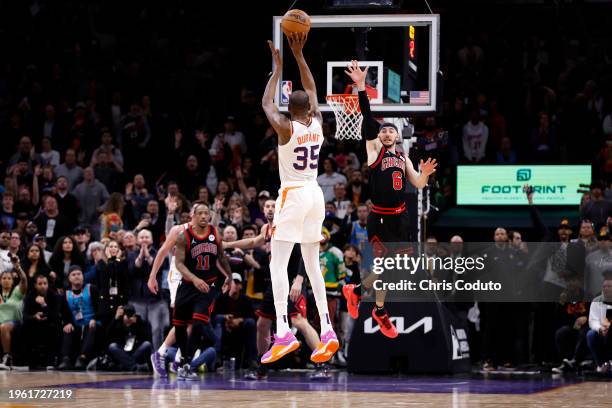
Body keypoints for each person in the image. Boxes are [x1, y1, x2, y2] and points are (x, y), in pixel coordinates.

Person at [342, 60, 437, 338]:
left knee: (395, 270)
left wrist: (425, 174)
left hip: (401, 216)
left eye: (390, 131)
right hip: (380, 217)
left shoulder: (403, 156)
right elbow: (368, 119)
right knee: (385, 267)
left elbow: (417, 183)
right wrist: (361, 87)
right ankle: (362, 296)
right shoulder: (374, 152)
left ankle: (375, 306)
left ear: (397, 136)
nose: (385, 133)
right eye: (383, 130)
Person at [261, 33, 339, 364]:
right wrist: (300, 55)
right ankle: (328, 331)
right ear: (309, 108)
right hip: (315, 194)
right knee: (311, 265)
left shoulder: (285, 128)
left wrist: (277, 68)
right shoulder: (318, 123)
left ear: (289, 109)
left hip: (293, 194)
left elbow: (266, 103)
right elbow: (312, 88)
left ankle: (282, 331)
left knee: (277, 264)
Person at [223, 199, 322, 379]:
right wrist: (229, 244)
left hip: (293, 281)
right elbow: (254, 241)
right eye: (267, 206)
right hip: (275, 283)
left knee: (299, 321)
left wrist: (299, 280)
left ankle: (322, 364)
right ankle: (262, 366)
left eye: (273, 206)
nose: (269, 209)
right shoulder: (266, 229)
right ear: (263, 210)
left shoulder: (288, 225)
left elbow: (303, 254)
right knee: (262, 324)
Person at [172, 202, 233, 380]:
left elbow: (221, 256)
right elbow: (179, 264)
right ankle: (183, 357)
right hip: (188, 285)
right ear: (194, 215)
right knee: (179, 325)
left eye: (207, 213)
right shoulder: (184, 236)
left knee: (199, 324)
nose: (204, 216)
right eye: (201, 213)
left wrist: (229, 276)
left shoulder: (214, 233)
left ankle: (187, 363)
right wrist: (194, 279)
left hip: (207, 287)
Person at [58, 266, 101, 370]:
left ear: (83, 276)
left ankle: (82, 358)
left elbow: (100, 307)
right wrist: (67, 323)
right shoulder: (66, 294)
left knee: (91, 328)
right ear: (69, 278)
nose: (77, 276)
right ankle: (66, 359)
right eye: (73, 274)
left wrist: (94, 318)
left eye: (79, 274)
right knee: (67, 329)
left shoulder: (91, 289)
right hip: (76, 324)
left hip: (92, 322)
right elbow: (64, 313)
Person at [213, 273, 256, 367]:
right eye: (233, 282)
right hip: (224, 327)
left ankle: (252, 359)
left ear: (241, 286)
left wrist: (240, 320)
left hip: (240, 328)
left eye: (238, 283)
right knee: (218, 320)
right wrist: (225, 318)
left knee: (251, 323)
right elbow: (213, 315)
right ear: (228, 285)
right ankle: (217, 356)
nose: (236, 285)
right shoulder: (220, 298)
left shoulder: (246, 300)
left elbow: (253, 316)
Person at [22, 274, 61, 369]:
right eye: (40, 284)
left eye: (45, 283)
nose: (43, 286)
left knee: (54, 328)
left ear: (48, 284)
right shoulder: (30, 295)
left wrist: (44, 305)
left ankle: (51, 361)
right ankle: (27, 361)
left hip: (50, 324)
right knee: (23, 328)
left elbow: (56, 316)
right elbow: (25, 315)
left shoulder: (54, 296)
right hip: (34, 324)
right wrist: (34, 316)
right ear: (35, 285)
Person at [0, 253, 27, 370]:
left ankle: (7, 357)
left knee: (4, 327)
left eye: (9, 278)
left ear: (12, 280)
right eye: (4, 278)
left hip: (15, 323)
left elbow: (24, 279)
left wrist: (17, 267)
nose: (6, 280)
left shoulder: (17, 292)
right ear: (0, 281)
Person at [106, 304, 152, 372]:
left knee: (147, 344)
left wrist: (137, 324)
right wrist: (116, 319)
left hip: (135, 351)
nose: (129, 318)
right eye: (127, 316)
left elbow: (147, 337)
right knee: (112, 346)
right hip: (122, 351)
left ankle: (125, 365)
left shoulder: (139, 321)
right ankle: (134, 367)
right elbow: (107, 336)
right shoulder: (118, 321)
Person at [586, 271, 612, 373]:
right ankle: (601, 364)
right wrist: (599, 328)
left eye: (609, 286)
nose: (606, 288)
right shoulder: (596, 300)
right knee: (590, 334)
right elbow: (593, 320)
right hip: (602, 330)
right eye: (604, 286)